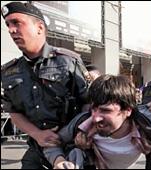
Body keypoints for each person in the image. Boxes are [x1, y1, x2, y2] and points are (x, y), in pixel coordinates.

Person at [1, 2, 90, 169]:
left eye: (17, 23)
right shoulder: (8, 71)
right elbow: (14, 112)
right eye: (8, 25)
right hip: (37, 149)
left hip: (74, 147)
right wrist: (37, 134)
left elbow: (88, 101)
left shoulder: (68, 61)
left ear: (39, 28)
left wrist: (83, 132)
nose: (11, 30)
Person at [43, 74, 151, 169]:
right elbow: (51, 143)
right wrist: (59, 161)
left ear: (127, 111)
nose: (95, 118)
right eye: (93, 109)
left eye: (105, 111)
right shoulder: (82, 124)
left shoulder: (150, 126)